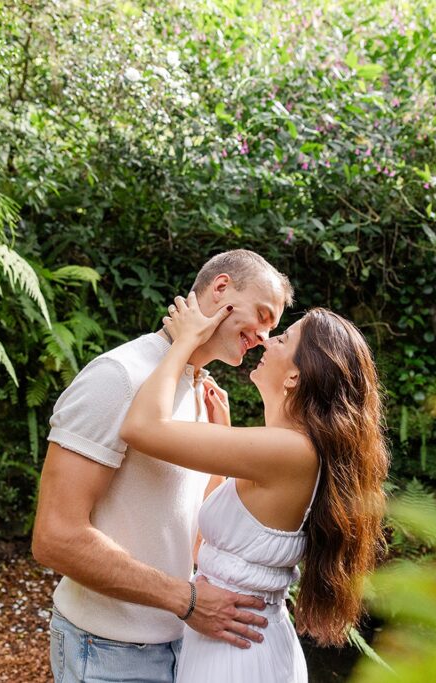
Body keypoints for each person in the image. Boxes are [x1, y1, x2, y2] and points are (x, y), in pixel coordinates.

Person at [32, 250, 294, 683]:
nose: (265, 338)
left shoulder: (196, 388)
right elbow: (55, 537)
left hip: (182, 646)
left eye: (274, 329)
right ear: (221, 287)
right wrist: (188, 600)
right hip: (107, 653)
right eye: (263, 316)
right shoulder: (118, 376)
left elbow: (194, 531)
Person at [119, 292, 389, 682]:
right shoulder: (286, 448)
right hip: (233, 638)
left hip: (237, 655)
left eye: (283, 339)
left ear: (295, 376)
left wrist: (184, 341)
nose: (267, 339)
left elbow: (141, 428)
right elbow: (207, 543)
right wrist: (220, 433)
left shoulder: (290, 450)